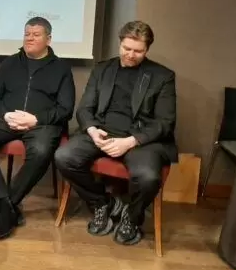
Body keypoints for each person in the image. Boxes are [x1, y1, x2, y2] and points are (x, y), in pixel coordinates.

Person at [54, 20, 177, 246]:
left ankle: (132, 216)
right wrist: (92, 131)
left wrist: (130, 142)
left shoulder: (162, 76)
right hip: (102, 131)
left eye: (138, 51)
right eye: (126, 48)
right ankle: (102, 203)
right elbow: (85, 109)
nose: (130, 55)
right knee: (64, 157)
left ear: (147, 49)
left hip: (139, 139)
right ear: (120, 43)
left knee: (148, 177)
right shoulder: (103, 69)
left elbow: (165, 122)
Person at [0, 16, 75, 240]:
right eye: (27, 34)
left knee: (41, 151)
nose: (29, 38)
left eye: (36, 35)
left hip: (41, 124)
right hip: (9, 119)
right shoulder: (10, 63)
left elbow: (66, 109)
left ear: (48, 39)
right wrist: (6, 114)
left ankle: (8, 205)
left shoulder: (61, 68)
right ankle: (3, 202)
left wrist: (35, 119)